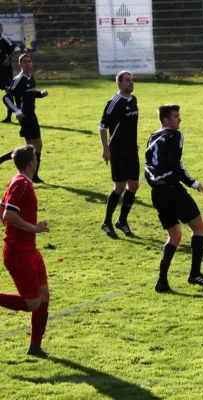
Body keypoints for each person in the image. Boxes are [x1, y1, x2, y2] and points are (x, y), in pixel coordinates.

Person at [145, 104, 203, 292]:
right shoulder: (175, 135)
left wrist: (155, 182)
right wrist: (192, 182)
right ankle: (195, 274)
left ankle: (161, 281)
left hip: (157, 193)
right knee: (199, 227)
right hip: (172, 190)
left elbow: (148, 165)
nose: (180, 120)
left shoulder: (153, 137)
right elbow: (176, 165)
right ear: (166, 119)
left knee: (174, 235)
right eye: (176, 116)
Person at [0, 145, 51, 357]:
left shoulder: (18, 181)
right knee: (32, 303)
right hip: (19, 252)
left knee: (44, 296)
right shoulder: (22, 185)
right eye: (35, 158)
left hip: (29, 249)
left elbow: (3, 208)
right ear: (30, 163)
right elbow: (8, 216)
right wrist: (34, 228)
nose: (37, 160)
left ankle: (35, 347)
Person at [98, 70, 139, 239]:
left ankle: (122, 221)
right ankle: (106, 222)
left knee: (134, 185)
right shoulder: (114, 102)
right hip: (118, 150)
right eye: (127, 80)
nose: (131, 83)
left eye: (132, 80)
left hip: (131, 150)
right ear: (119, 83)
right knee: (120, 187)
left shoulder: (133, 100)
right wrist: (105, 149)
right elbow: (102, 126)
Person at [0, 54, 48, 183]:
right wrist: (16, 111)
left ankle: (34, 175)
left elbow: (30, 94)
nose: (28, 63)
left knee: (33, 146)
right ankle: (34, 176)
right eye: (25, 62)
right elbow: (6, 97)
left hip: (32, 115)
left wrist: (41, 94)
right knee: (33, 146)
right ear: (20, 65)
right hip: (25, 116)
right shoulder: (18, 79)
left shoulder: (31, 78)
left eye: (30, 61)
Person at [0, 24, 19, 123]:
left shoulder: (5, 40)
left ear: (2, 29)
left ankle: (9, 117)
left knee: (8, 93)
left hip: (4, 71)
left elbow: (17, 49)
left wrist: (8, 58)